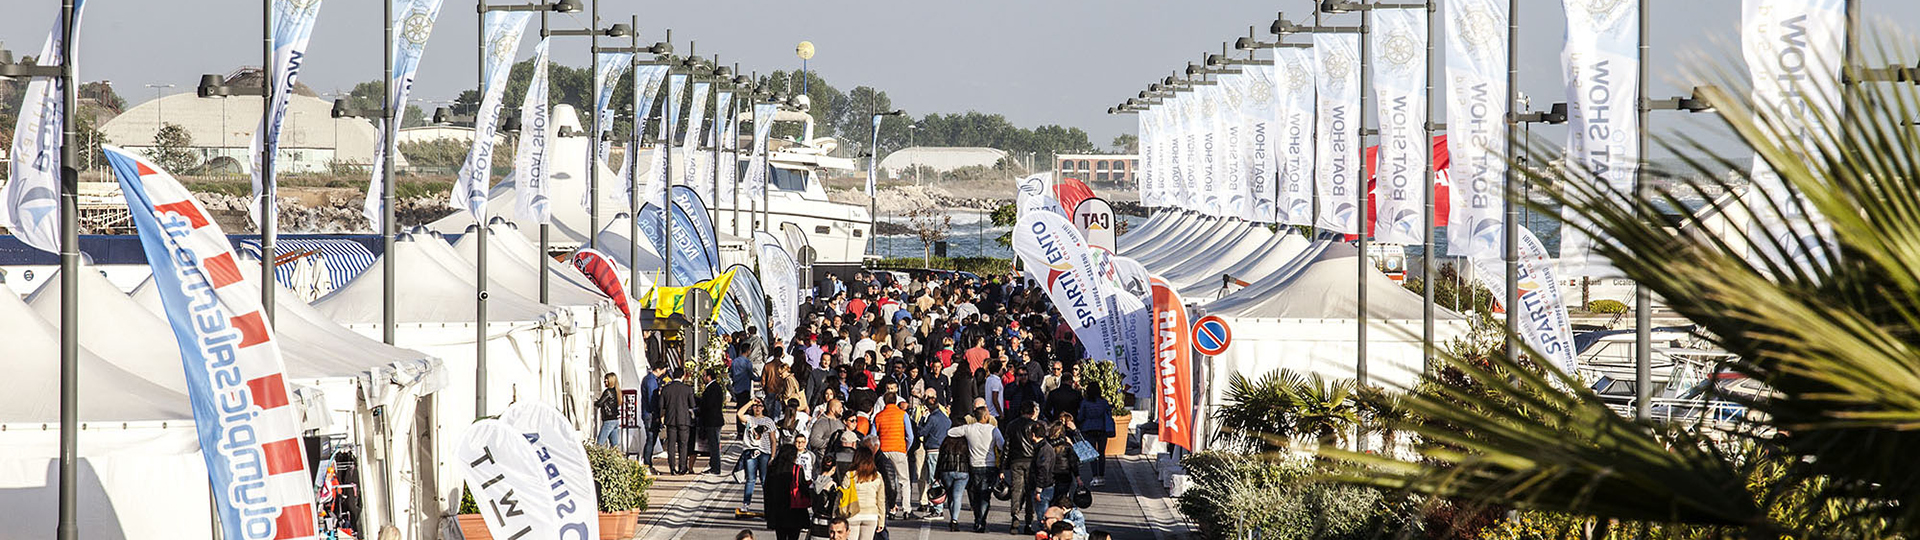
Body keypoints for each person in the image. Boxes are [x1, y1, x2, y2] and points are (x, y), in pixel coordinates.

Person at [947, 406, 1004, 533]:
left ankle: (977, 518)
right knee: (985, 496)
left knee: (975, 494)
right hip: (989, 465)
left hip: (974, 465)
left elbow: (950, 432)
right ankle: (981, 521)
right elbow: (1002, 445)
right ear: (985, 417)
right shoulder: (993, 430)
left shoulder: (969, 429)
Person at [872, 395, 914, 518]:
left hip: (883, 450)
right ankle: (906, 509)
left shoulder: (878, 416)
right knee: (904, 481)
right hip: (899, 449)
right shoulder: (902, 415)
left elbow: (873, 436)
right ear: (896, 401)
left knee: (887, 480)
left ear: (884, 401)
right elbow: (910, 436)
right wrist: (906, 448)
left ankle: (891, 508)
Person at [764, 442, 813, 540]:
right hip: (794, 510)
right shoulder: (797, 469)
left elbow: (767, 490)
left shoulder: (772, 469)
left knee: (780, 537)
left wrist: (768, 512)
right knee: (793, 537)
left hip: (777, 511)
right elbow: (803, 489)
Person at [838, 447, 887, 540]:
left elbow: (842, 495)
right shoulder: (877, 476)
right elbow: (881, 500)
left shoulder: (850, 475)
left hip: (853, 513)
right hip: (871, 515)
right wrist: (881, 521)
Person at [738, 400, 777, 512]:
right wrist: (750, 402)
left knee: (765, 479)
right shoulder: (749, 419)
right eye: (755, 406)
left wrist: (773, 456)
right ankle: (746, 503)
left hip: (765, 452)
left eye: (760, 406)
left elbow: (773, 440)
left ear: (764, 408)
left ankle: (768, 505)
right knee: (751, 478)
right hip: (751, 451)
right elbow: (739, 414)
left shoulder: (768, 421)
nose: (758, 408)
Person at [1076, 381, 1115, 486]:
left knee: (1092, 454)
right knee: (1102, 453)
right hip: (1102, 428)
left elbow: (1080, 417)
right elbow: (1108, 414)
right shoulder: (1103, 402)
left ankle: (1095, 476)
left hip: (1088, 428)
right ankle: (1102, 475)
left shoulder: (1085, 402)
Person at [661, 370, 698, 475]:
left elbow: (661, 405)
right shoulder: (687, 389)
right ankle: (682, 468)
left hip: (670, 420)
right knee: (683, 444)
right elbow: (692, 404)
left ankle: (672, 468)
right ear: (683, 376)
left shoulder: (666, 389)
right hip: (684, 420)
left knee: (671, 445)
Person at [699, 370, 729, 475]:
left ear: (709, 377)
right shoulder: (714, 387)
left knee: (714, 445)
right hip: (713, 420)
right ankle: (713, 465)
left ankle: (715, 467)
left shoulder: (713, 388)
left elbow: (709, 405)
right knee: (713, 445)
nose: (702, 378)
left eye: (704, 376)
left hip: (713, 421)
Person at [642, 364, 667, 472]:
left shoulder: (649, 379)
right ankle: (647, 464)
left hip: (648, 413)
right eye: (663, 370)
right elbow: (652, 398)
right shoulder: (651, 381)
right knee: (651, 439)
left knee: (651, 439)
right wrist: (656, 414)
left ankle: (648, 463)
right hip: (650, 415)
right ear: (658, 369)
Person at [596, 373, 624, 447]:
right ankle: (617, 457)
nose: (605, 381)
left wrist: (596, 402)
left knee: (600, 442)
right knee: (614, 445)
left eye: (606, 380)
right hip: (615, 419)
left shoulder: (608, 392)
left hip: (608, 420)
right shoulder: (617, 392)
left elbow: (600, 403)